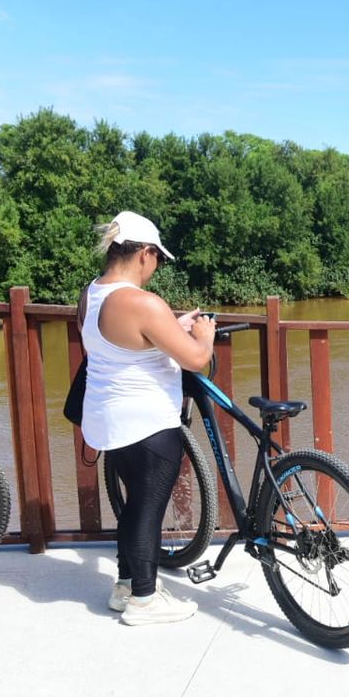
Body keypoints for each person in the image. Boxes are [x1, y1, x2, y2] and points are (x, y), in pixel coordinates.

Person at [79, 211, 216, 626]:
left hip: (108, 420)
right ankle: (143, 598)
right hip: (148, 424)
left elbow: (122, 343)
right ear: (144, 253)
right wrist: (202, 334)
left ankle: (124, 586)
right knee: (148, 508)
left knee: (135, 503)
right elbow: (195, 358)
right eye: (157, 258)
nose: (156, 267)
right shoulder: (142, 302)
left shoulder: (92, 293)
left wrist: (168, 326)